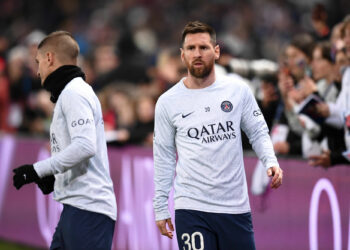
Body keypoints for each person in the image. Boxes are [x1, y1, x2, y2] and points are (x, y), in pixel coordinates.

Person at [153, 21, 283, 250]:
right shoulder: (167, 102)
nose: (197, 54)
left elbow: (258, 130)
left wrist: (270, 160)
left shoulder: (238, 91)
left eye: (203, 47)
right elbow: (163, 155)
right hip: (192, 207)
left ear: (216, 51)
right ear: (182, 56)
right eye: (191, 49)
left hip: (235, 208)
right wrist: (161, 205)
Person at [12, 31, 117, 250]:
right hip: (77, 207)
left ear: (50, 58)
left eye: (38, 62)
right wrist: (56, 178)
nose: (38, 70)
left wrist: (38, 169)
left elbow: (85, 146)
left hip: (88, 210)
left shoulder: (74, 93)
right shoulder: (71, 92)